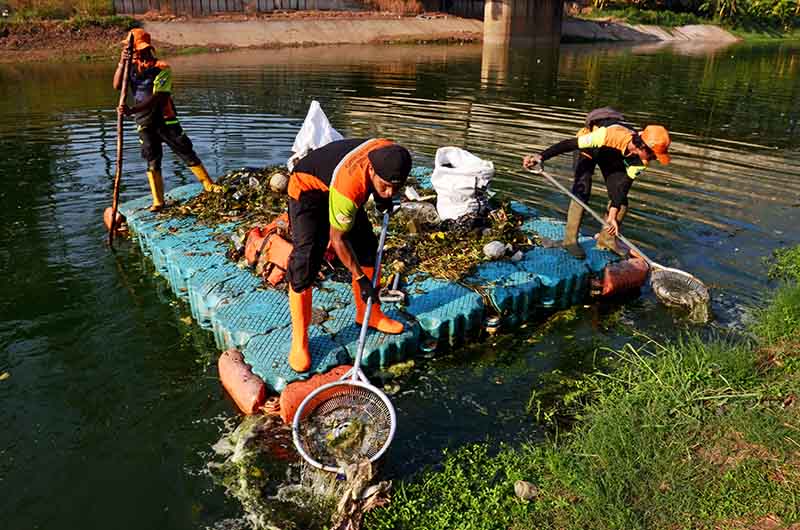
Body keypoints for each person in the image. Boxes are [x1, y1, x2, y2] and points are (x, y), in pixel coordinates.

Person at [286, 138, 412, 373]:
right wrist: (361, 280)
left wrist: (384, 197)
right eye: (385, 185)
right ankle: (300, 340)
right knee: (305, 261)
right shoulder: (350, 187)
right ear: (371, 170)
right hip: (308, 192)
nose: (390, 191)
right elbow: (338, 240)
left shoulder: (392, 154)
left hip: (335, 183)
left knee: (366, 246)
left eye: (397, 186)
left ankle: (369, 313)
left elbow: (386, 183)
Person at [522, 107, 671, 259]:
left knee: (621, 202)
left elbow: (622, 188)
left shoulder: (640, 160)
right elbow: (569, 144)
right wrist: (540, 157)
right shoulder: (607, 135)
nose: (654, 159)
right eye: (654, 155)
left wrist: (612, 216)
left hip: (613, 156)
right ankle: (570, 241)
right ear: (642, 146)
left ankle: (607, 240)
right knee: (582, 189)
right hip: (589, 149)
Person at [113, 29, 219, 213]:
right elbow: (116, 85)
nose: (134, 53)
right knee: (152, 159)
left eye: (136, 50)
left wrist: (132, 110)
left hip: (165, 120)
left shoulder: (162, 68)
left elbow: (159, 97)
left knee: (185, 150)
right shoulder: (129, 67)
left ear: (146, 49)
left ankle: (209, 185)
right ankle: (158, 201)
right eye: (132, 51)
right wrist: (122, 63)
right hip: (144, 122)